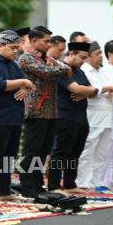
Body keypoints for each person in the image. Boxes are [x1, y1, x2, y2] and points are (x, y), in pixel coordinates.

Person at [0, 30, 35, 201]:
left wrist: (25, 87)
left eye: (18, 48)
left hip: (14, 117)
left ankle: (4, 191)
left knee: (8, 157)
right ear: (0, 45)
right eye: (12, 47)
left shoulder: (13, 63)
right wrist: (23, 83)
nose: (16, 51)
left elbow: (27, 82)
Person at [18, 26, 71, 198]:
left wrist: (60, 69)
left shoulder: (47, 58)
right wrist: (60, 69)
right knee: (31, 151)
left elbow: (66, 69)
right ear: (33, 41)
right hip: (35, 111)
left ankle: (38, 186)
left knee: (44, 151)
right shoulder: (26, 58)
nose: (49, 44)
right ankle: (27, 188)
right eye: (46, 41)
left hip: (52, 112)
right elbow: (48, 72)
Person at [48, 42, 101, 194]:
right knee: (60, 153)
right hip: (65, 117)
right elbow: (76, 89)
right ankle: (54, 185)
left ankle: (70, 184)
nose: (83, 61)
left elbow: (93, 90)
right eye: (82, 57)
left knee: (75, 154)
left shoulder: (79, 71)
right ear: (71, 54)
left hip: (81, 118)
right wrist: (85, 90)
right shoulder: (63, 70)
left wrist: (87, 91)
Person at [76, 41, 113, 190]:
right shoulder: (84, 71)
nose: (101, 57)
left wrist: (108, 88)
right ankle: (83, 182)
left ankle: (97, 182)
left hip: (107, 115)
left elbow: (108, 89)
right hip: (93, 115)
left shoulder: (102, 71)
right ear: (88, 57)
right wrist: (109, 88)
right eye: (97, 54)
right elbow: (92, 91)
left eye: (101, 53)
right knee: (88, 149)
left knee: (102, 152)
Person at [102, 40, 113, 187]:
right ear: (110, 54)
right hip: (110, 116)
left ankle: (111, 181)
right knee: (108, 151)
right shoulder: (106, 71)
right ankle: (105, 182)